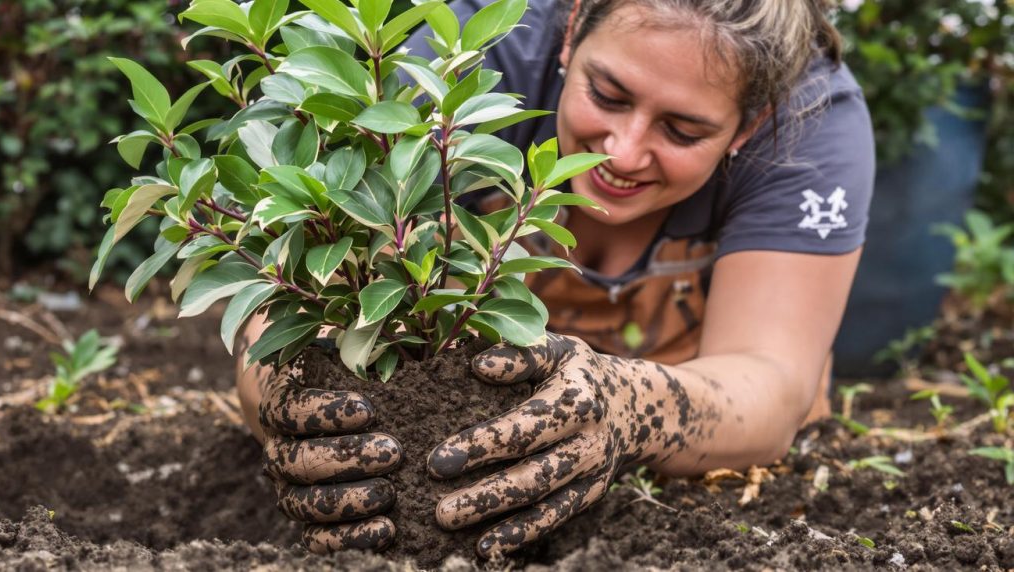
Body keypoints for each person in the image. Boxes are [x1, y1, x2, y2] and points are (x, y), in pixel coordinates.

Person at [235, 0, 875, 560]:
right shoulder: (473, 55)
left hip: (695, 444)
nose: (620, 153)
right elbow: (303, 281)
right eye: (607, 94)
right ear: (570, 33)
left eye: (683, 130)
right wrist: (285, 395)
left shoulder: (812, 119)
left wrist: (630, 407)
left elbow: (771, 378)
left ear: (752, 122)